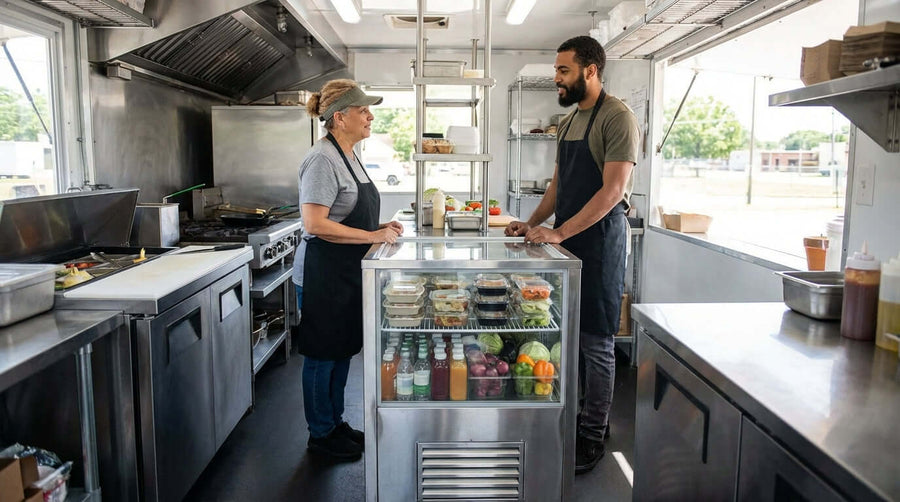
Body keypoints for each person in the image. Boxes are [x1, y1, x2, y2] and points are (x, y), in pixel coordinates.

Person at [505, 36, 640, 474]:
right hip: (566, 247)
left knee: (596, 341)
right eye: (556, 71)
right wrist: (531, 223)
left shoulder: (617, 118)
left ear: (591, 71)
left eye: (563, 71)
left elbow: (613, 191)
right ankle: (575, 416)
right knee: (567, 335)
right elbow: (558, 188)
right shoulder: (567, 124)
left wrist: (559, 231)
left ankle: (592, 432)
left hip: (599, 243)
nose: (556, 79)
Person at [293, 79, 403, 461]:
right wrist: (372, 233)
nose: (370, 116)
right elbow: (315, 224)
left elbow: (347, 212)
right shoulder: (322, 159)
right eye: (363, 110)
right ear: (340, 118)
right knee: (322, 354)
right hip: (323, 274)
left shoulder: (349, 154)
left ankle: (334, 422)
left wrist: (382, 226)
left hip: (345, 272)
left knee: (340, 351)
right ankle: (319, 435)